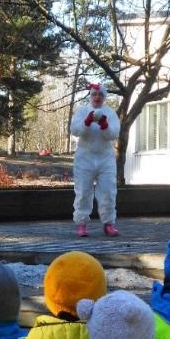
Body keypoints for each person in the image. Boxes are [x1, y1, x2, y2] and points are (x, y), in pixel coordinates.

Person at [70, 83, 120, 238]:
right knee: (83, 191)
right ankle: (81, 224)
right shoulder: (82, 111)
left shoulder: (110, 113)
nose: (97, 97)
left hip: (105, 158)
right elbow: (75, 130)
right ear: (90, 96)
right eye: (94, 94)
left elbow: (114, 134)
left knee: (108, 192)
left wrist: (104, 125)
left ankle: (109, 224)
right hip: (85, 157)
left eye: (100, 95)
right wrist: (87, 122)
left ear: (104, 97)